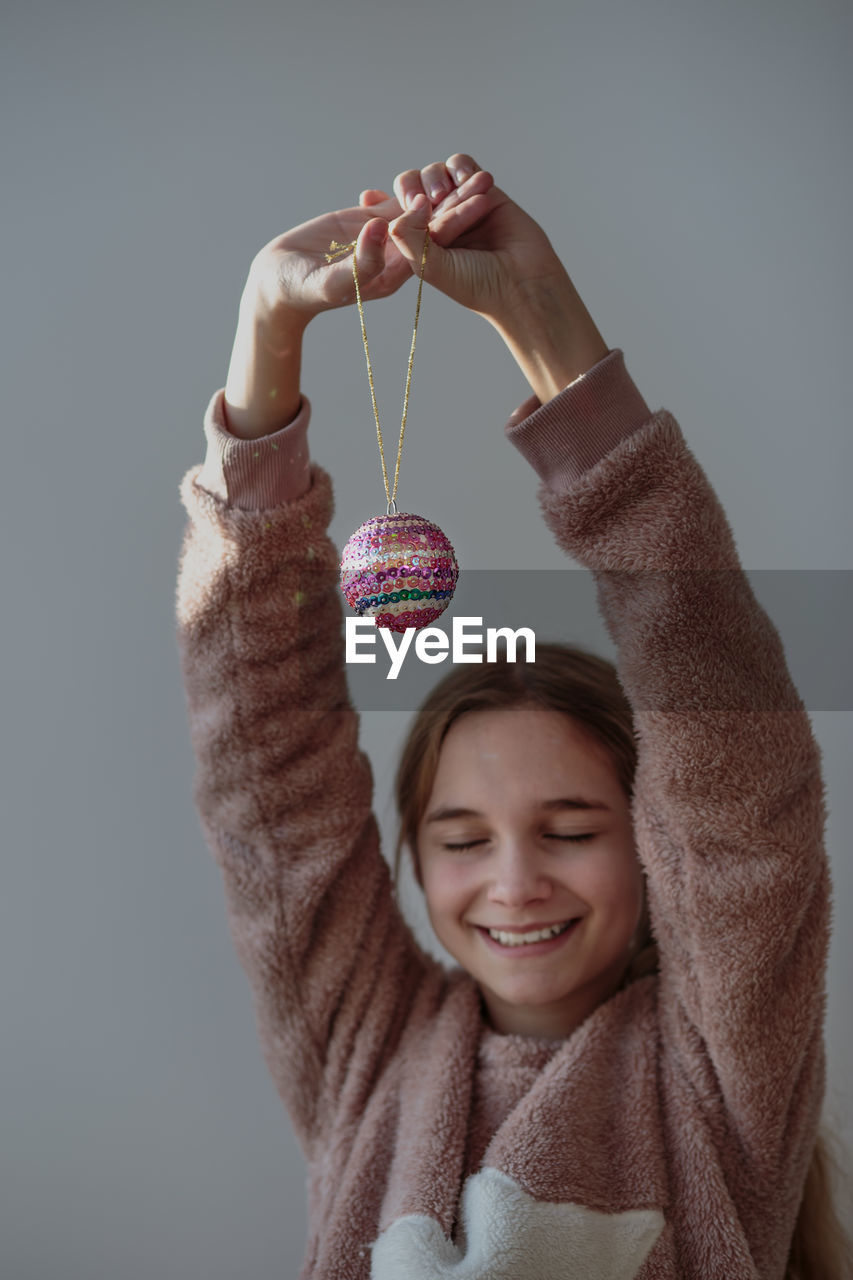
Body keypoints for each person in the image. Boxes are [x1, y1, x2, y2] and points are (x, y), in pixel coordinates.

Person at [175, 155, 851, 1278]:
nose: (514, 879)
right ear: (414, 855)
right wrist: (265, 342)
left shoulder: (723, 1066)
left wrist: (554, 331)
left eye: (574, 827)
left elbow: (731, 742)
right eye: (459, 839)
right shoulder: (366, 1048)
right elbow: (267, 781)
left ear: (656, 838)